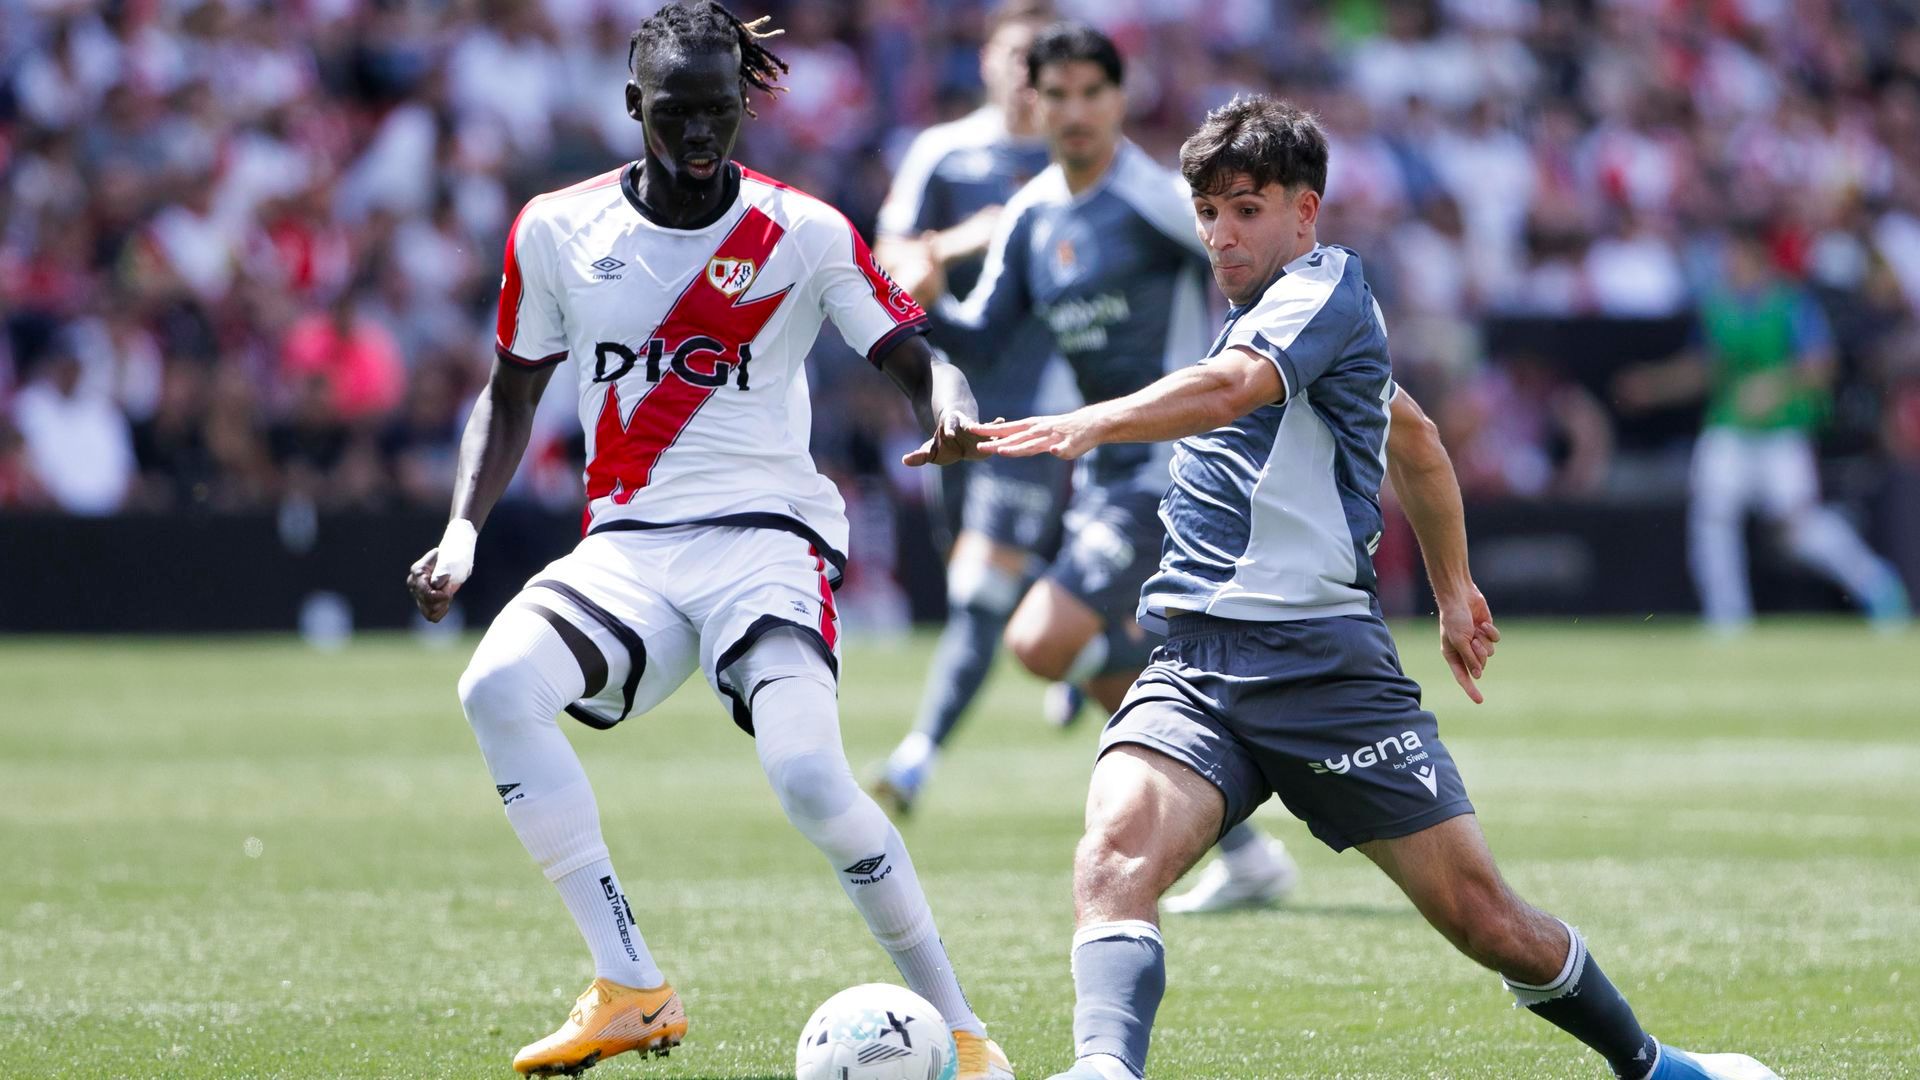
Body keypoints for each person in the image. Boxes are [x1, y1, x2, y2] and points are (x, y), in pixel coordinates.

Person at [968, 96, 1777, 1080]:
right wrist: (1452, 592)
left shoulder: (1328, 287)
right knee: (1113, 854)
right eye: (1209, 211)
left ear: (1305, 213)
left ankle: (1656, 1067)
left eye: (1247, 208)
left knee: (1485, 919)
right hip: (1196, 662)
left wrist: (1091, 421)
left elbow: (1232, 392)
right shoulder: (1269, 321)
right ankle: (1104, 1067)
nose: (1223, 232)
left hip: (1324, 671)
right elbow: (1419, 443)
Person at [403, 5, 1013, 1077]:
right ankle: (632, 985)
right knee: (494, 685)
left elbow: (918, 356)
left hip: (763, 541)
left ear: (747, 104)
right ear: (633, 104)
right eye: (676, 112)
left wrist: (948, 413)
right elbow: (508, 397)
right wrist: (461, 528)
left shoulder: (803, 230)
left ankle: (961, 1032)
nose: (699, 135)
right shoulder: (556, 227)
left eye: (719, 112)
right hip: (628, 549)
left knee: (813, 783)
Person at [893, 21, 1301, 913]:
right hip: (1109, 476)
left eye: (1093, 93)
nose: (1075, 112)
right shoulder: (1035, 214)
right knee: (1100, 664)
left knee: (1042, 639)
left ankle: (1230, 731)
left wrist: (1270, 393)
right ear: (1030, 102)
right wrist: (923, 302)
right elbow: (984, 333)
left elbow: (1269, 276)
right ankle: (1247, 845)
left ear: (1120, 99)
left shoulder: (1156, 198)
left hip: (1185, 469)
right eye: (1058, 94)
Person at [868, 0, 1077, 815]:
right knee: (974, 573)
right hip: (950, 391)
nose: (1028, 77)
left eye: (1044, 61)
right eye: (1015, 57)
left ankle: (916, 758)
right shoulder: (944, 154)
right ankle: (1082, 636)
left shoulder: (1079, 161)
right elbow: (887, 254)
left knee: (980, 592)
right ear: (986, 60)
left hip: (1046, 398)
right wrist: (965, 240)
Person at [1616, 226, 1910, 632]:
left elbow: (1821, 366)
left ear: (1754, 255)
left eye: (1733, 252)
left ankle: (1876, 586)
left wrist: (1775, 385)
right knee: (1713, 518)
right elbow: (1705, 367)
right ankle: (1728, 620)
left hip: (1780, 431)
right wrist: (1655, 385)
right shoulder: (1716, 305)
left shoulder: (1790, 303)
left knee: (1798, 529)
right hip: (1729, 428)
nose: (1727, 262)